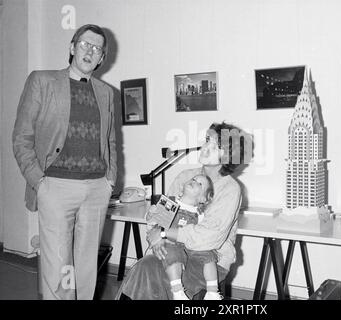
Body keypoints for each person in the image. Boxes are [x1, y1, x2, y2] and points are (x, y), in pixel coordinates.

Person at [12, 24, 117, 300]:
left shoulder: (106, 93)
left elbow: (111, 142)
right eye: (85, 44)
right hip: (56, 187)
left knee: (85, 269)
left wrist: (110, 180)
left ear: (101, 58)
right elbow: (22, 136)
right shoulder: (42, 81)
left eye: (97, 49)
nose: (90, 51)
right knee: (59, 267)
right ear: (72, 48)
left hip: (96, 189)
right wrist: (39, 182)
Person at [116, 122, 252, 300]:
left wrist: (164, 234)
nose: (205, 148)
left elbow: (207, 238)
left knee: (159, 278)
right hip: (173, 250)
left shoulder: (230, 189)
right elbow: (160, 217)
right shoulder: (185, 177)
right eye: (206, 141)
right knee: (143, 266)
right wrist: (156, 235)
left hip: (210, 260)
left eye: (215, 146)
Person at [146, 174, 223, 300]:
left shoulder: (200, 214)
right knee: (172, 254)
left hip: (190, 245)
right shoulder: (169, 203)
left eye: (200, 184)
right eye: (193, 179)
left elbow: (201, 234)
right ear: (182, 186)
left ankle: (213, 292)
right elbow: (153, 227)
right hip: (170, 244)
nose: (194, 181)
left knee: (208, 254)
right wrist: (150, 216)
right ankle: (178, 292)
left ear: (203, 198)